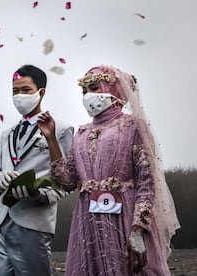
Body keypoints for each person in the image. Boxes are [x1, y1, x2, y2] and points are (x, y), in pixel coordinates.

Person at [38, 65, 181, 275]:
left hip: (125, 218)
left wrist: (137, 230)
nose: (87, 95)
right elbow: (68, 180)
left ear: (112, 89)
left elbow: (147, 183)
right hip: (89, 222)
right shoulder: (81, 134)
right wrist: (51, 139)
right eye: (84, 91)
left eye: (94, 88)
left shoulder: (133, 127)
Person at [0, 64, 74, 276]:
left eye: (26, 90)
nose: (19, 96)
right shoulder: (7, 134)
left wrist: (38, 194)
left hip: (33, 223)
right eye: (15, 91)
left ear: (41, 92)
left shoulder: (61, 130)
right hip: (0, 223)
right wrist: (0, 179)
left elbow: (67, 180)